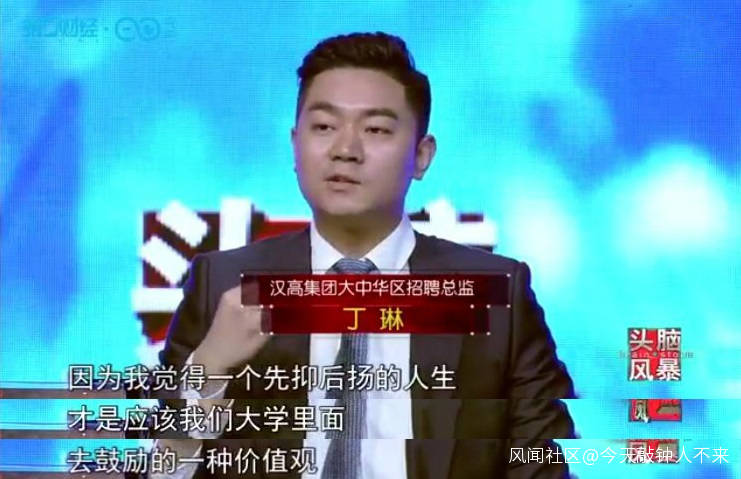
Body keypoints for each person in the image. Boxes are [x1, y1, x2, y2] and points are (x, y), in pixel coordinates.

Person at [155, 31, 575, 479]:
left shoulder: (496, 295)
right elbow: (164, 470)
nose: (345, 150)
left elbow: (543, 465)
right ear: (295, 144)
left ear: (421, 156)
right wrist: (209, 369)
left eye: (375, 130)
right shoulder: (223, 283)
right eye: (324, 127)